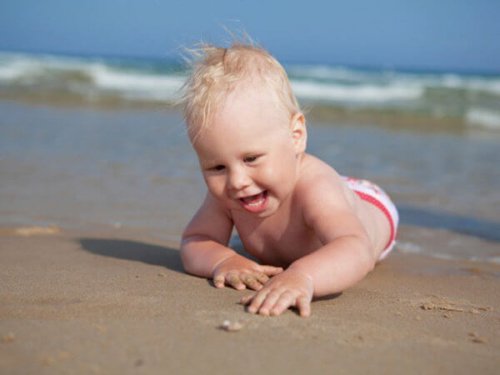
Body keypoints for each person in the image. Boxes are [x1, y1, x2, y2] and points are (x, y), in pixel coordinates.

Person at [179, 41, 399, 317]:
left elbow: (356, 248)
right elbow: (195, 240)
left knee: (334, 203)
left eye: (251, 159)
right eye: (217, 167)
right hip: (303, 183)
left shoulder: (316, 188)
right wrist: (223, 260)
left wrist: (304, 276)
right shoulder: (231, 190)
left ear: (296, 136)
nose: (236, 180)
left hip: (370, 203)